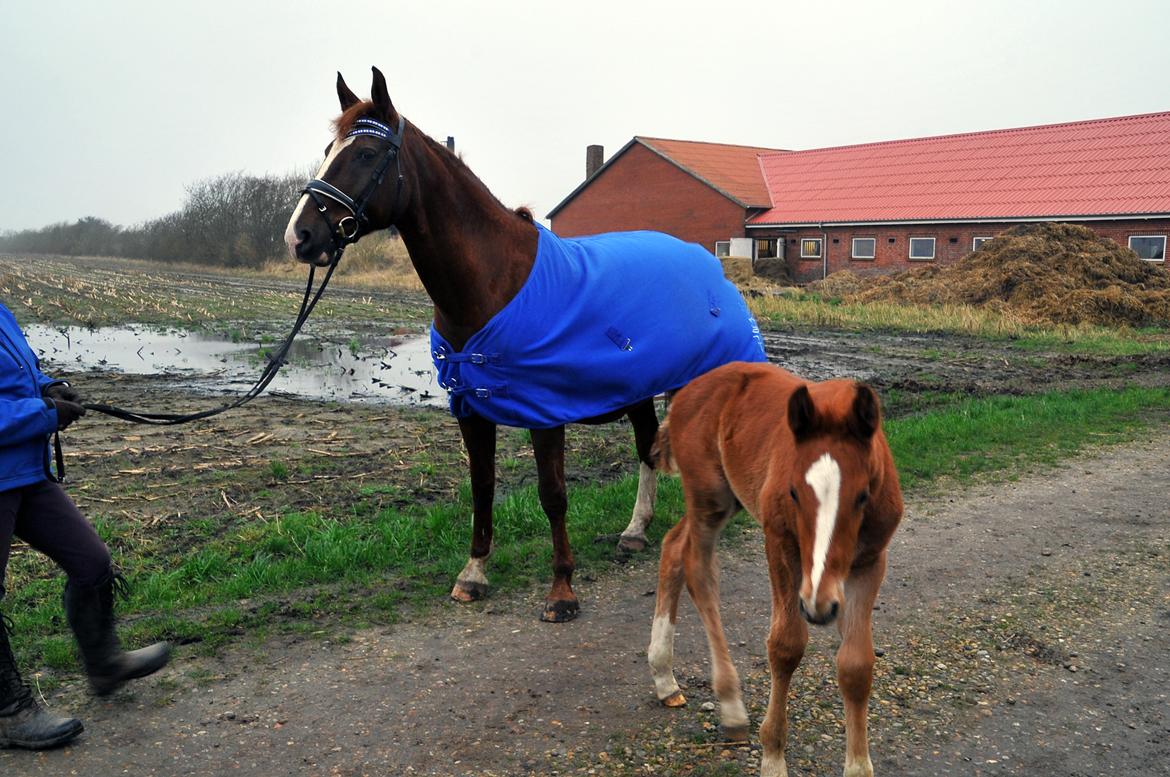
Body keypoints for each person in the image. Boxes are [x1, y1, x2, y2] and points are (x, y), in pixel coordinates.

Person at [0, 301, 170, 749]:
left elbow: (20, 375)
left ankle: (104, 664)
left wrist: (51, 386)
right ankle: (9, 713)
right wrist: (45, 414)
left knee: (92, 562)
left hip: (27, 472)